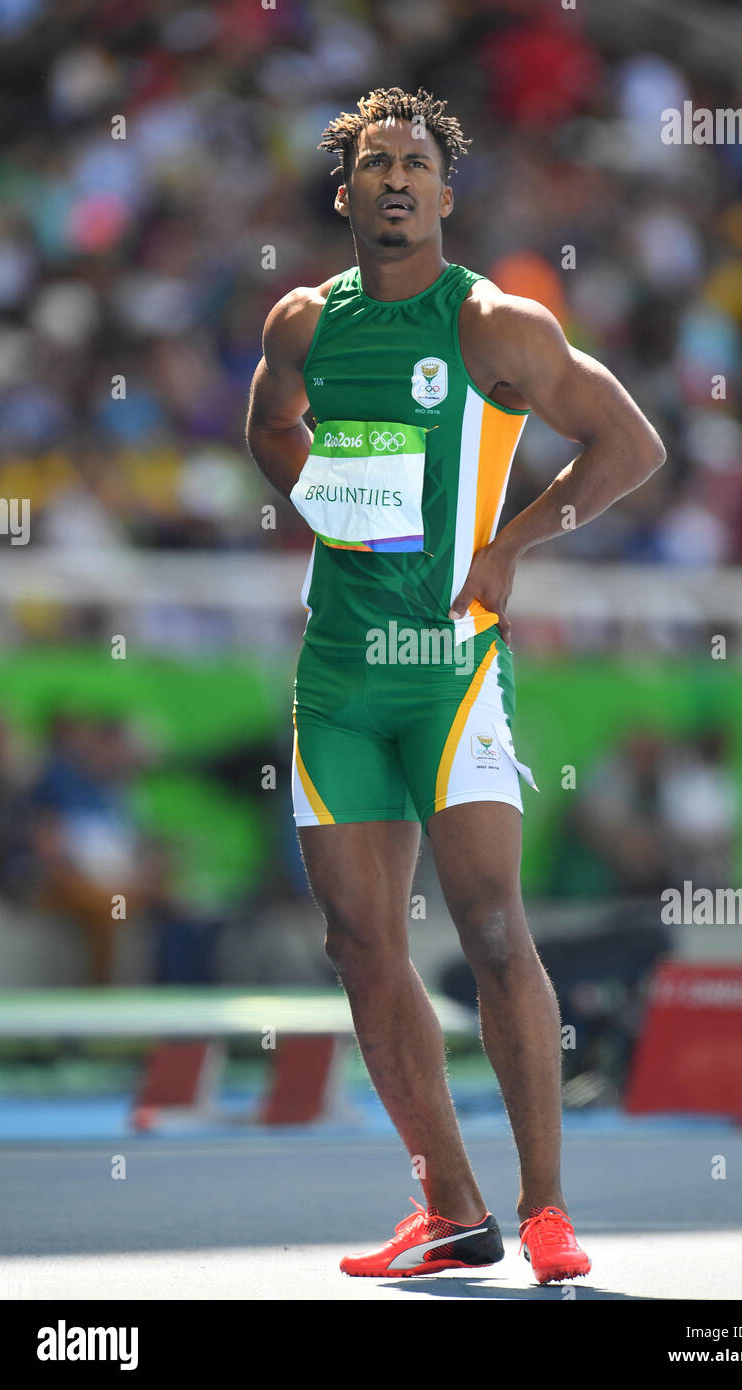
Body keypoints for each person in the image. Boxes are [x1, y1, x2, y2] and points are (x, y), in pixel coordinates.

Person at [245, 87, 665, 1284]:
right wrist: (313, 489)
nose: (392, 178)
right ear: (343, 193)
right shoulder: (299, 324)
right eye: (371, 161)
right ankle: (448, 1207)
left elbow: (629, 444)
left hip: (448, 671)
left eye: (413, 163)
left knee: (489, 927)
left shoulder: (491, 324)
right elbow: (271, 428)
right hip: (335, 679)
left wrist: (511, 544)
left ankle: (544, 1214)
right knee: (359, 946)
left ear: (442, 191)